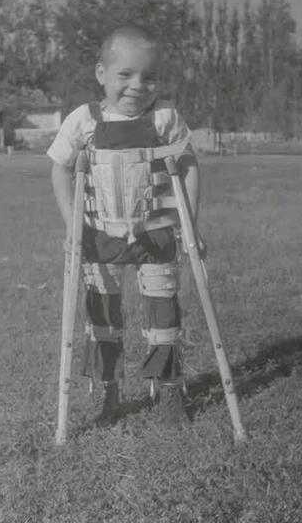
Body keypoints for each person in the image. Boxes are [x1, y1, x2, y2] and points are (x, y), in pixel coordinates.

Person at [47, 25, 201, 427]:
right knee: (103, 316)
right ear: (102, 73)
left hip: (156, 231)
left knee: (163, 314)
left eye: (148, 77)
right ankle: (109, 394)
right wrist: (71, 225)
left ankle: (168, 391)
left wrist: (190, 223)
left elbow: (187, 165)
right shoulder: (84, 120)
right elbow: (59, 170)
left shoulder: (165, 118)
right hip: (101, 234)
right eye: (125, 75)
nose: (138, 86)